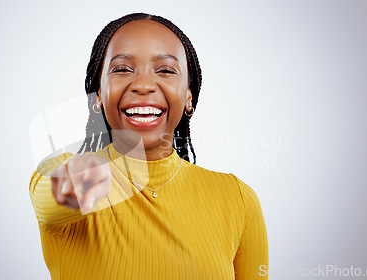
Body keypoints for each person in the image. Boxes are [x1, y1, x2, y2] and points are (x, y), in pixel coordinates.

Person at [29, 12, 268, 279]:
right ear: (98, 94)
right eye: (121, 70)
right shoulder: (57, 172)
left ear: (188, 95)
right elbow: (55, 200)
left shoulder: (237, 199)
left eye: (165, 70)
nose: (143, 85)